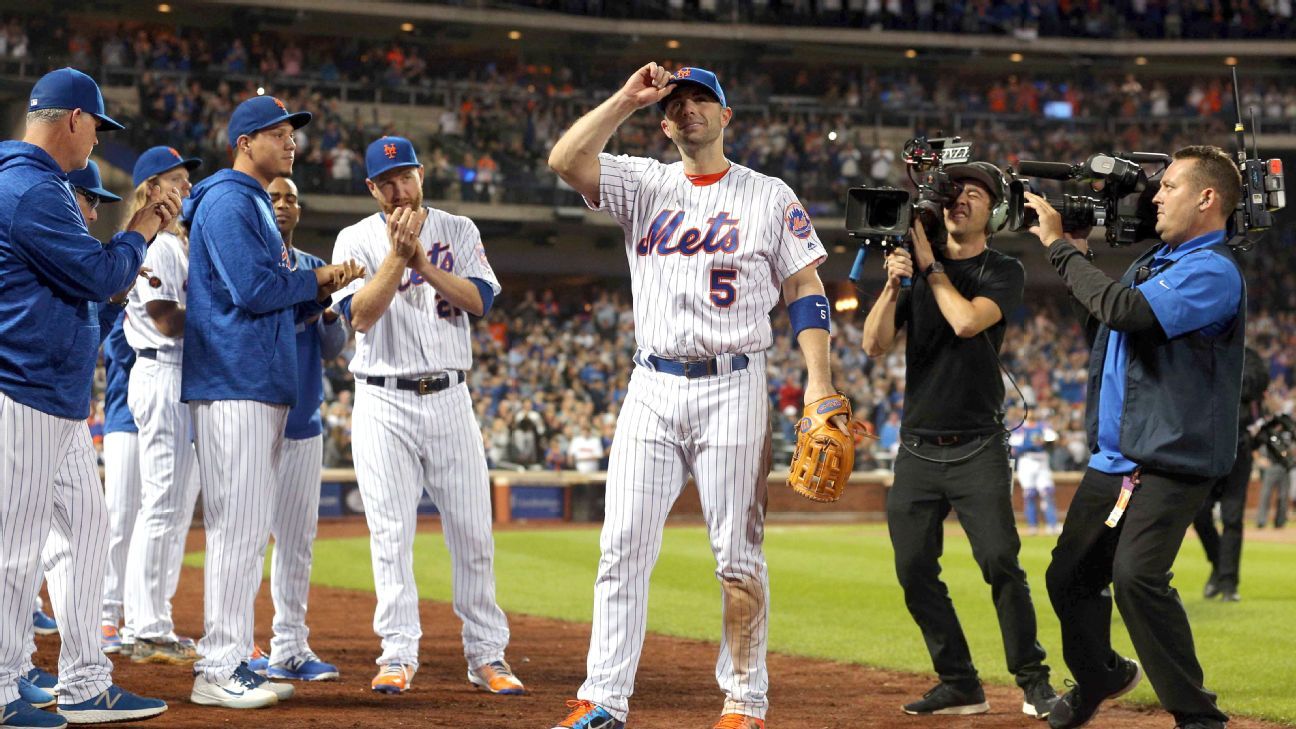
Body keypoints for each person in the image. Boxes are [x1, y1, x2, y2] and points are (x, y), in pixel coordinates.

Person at [547, 63, 839, 729]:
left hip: (733, 384)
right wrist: (626, 95)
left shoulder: (768, 195)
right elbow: (565, 159)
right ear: (664, 120)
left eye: (702, 100)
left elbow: (805, 289)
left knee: (737, 553)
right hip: (651, 384)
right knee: (621, 545)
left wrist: (819, 381)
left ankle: (744, 699)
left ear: (726, 115)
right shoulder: (644, 183)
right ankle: (603, 699)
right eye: (677, 104)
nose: (689, 111)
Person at [1025, 145, 1243, 729]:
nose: (1155, 196)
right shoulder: (1157, 261)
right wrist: (1080, 256)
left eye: (1169, 186)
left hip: (1171, 458)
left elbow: (1126, 312)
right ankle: (1101, 673)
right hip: (1117, 458)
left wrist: (1060, 251)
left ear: (1206, 198)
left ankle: (1199, 718)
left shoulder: (1213, 271)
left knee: (1137, 577)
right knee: (1068, 576)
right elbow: (1107, 323)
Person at [0, 66, 179, 728]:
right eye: (97, 128)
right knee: (17, 549)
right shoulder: (29, 188)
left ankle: (83, 680)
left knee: (88, 533)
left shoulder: (32, 185)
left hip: (58, 399)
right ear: (73, 118)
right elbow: (102, 275)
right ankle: (2, 683)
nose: (97, 142)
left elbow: (85, 291)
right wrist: (138, 228)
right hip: (24, 391)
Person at [182, 94, 362, 710]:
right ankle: (218, 666)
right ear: (243, 142)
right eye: (276, 133)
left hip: (254, 378)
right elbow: (254, 290)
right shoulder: (231, 199)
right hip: (235, 380)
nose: (290, 142)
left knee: (245, 528)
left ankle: (232, 659)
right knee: (237, 529)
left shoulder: (251, 200)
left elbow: (269, 296)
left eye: (292, 134)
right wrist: (318, 278)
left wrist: (318, 293)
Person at [860, 161, 1058, 719]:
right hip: (918, 448)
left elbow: (967, 323)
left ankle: (1033, 681)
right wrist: (897, 282)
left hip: (977, 446)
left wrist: (930, 268)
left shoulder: (1004, 270)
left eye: (974, 193)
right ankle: (960, 682)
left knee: (1000, 562)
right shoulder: (919, 274)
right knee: (913, 570)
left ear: (994, 210)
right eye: (953, 192)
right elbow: (875, 344)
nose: (959, 201)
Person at [330, 136, 525, 697]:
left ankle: (487, 654)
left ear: (421, 176)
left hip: (448, 396)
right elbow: (361, 317)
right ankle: (397, 654)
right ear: (371, 188)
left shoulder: (459, 230)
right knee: (390, 533)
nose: (399, 189)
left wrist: (422, 262)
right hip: (381, 399)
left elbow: (481, 301)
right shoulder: (356, 238)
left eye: (406, 176)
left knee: (472, 531)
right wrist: (397, 257)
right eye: (387, 181)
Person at [245, 176, 347, 682]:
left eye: (291, 198)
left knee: (296, 540)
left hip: (303, 418)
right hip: (251, 415)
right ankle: (237, 648)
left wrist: (325, 307)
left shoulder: (314, 267)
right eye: (273, 197)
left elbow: (334, 349)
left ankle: (289, 646)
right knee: (242, 536)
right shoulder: (249, 264)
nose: (283, 205)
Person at [120, 146, 204, 666]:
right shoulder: (158, 245)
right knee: (162, 505)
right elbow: (167, 320)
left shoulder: (176, 244)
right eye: (175, 180)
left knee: (174, 510)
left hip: (180, 376)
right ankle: (144, 626)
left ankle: (156, 622)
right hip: (162, 370)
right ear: (152, 190)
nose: (187, 188)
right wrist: (228, 319)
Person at [1193, 345, 1268, 602]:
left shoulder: (1251, 356)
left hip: (1240, 445)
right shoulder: (1205, 350)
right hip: (1207, 446)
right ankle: (1218, 565)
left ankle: (1228, 583)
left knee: (1232, 516)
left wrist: (1221, 375)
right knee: (1199, 511)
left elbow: (1252, 386)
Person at [1010, 410, 1061, 536]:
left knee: (1047, 492)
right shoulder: (1020, 428)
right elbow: (1015, 447)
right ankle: (1032, 526)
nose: (1032, 414)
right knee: (1030, 494)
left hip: (1042, 461)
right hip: (1027, 461)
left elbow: (1053, 439)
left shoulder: (1043, 426)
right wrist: (1033, 444)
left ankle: (1052, 525)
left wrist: (1040, 443)